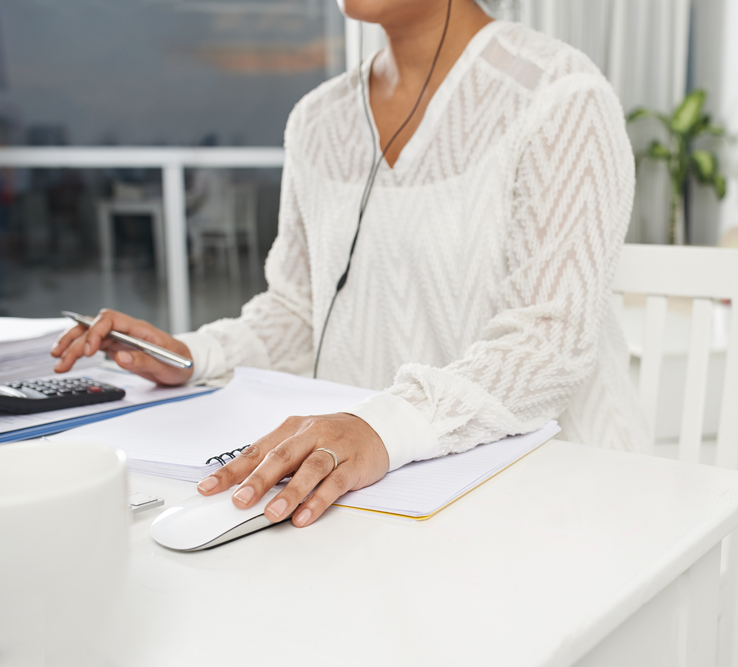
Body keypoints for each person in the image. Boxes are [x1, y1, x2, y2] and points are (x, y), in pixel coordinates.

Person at [51, 0, 647, 529]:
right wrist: (195, 354)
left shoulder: (560, 96)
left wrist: (384, 427)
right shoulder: (317, 120)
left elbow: (548, 343)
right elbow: (297, 310)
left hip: (553, 492)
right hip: (372, 494)